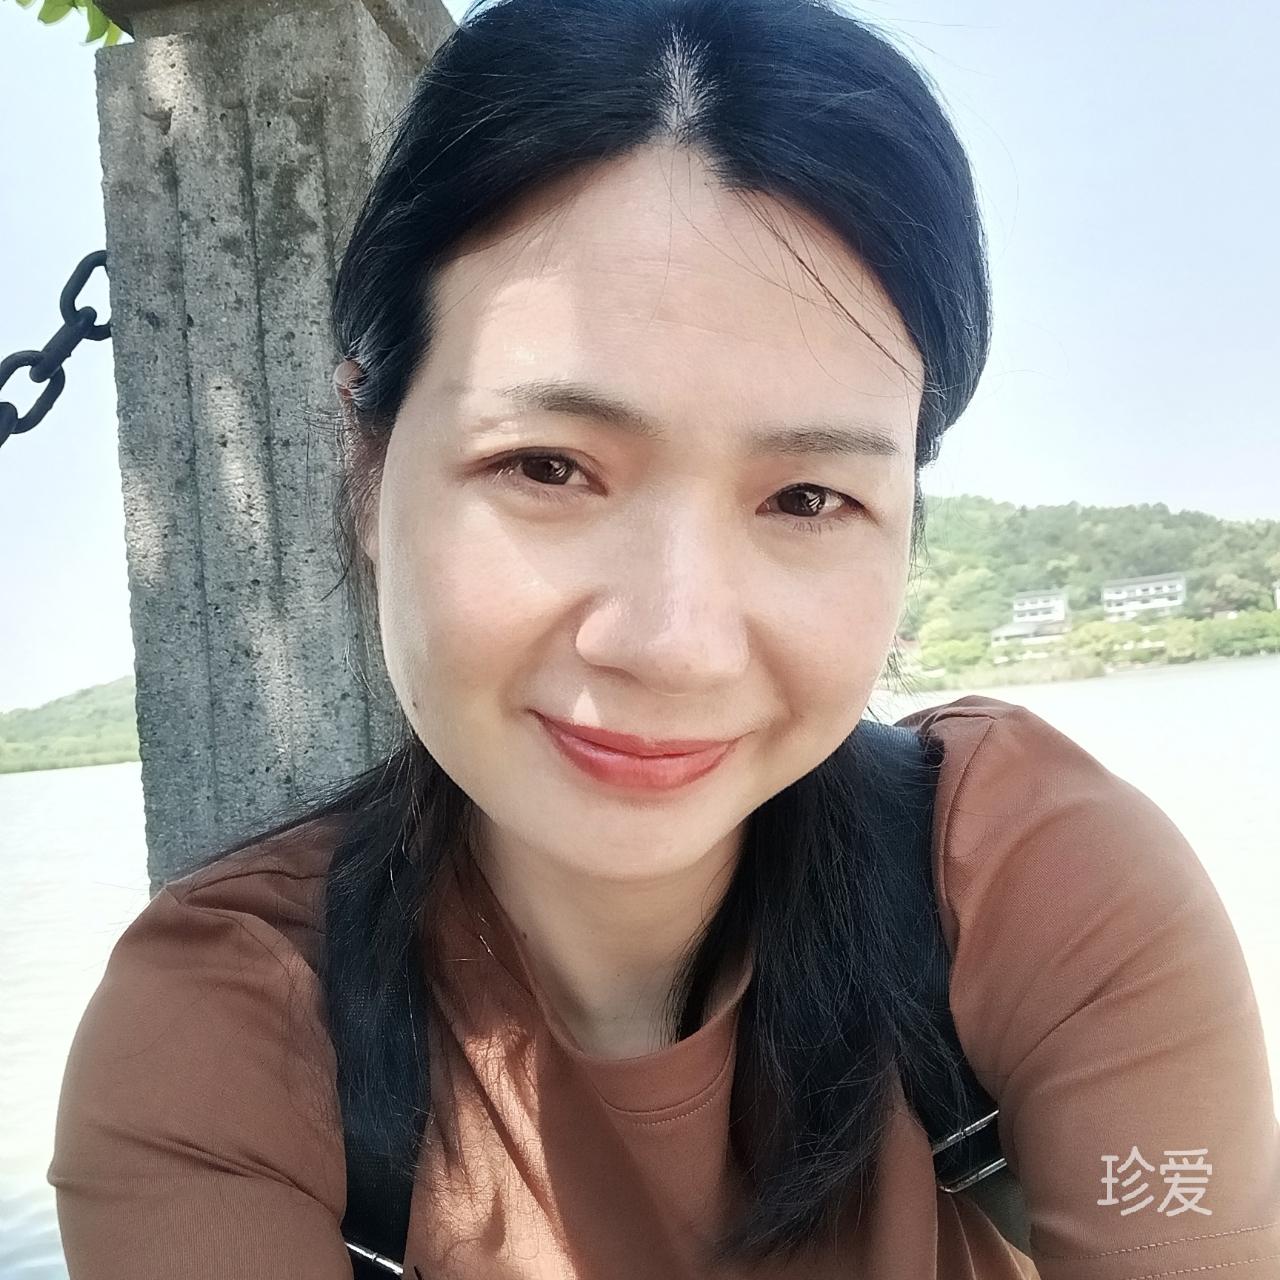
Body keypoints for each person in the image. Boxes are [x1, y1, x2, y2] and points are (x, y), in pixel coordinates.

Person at [48, 0, 1280, 1276]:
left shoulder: (1035, 886)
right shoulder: (222, 1044)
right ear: (365, 458)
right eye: (547, 464)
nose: (675, 644)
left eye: (807, 497)